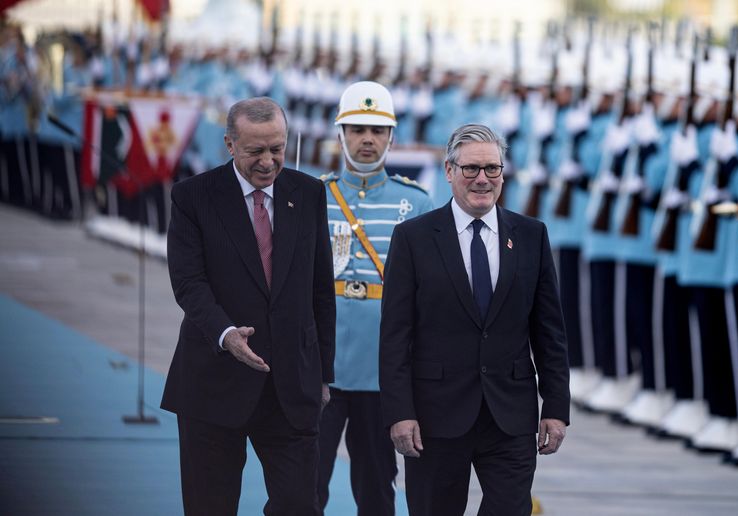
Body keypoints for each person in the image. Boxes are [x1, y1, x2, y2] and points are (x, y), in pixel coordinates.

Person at [380, 123, 570, 515]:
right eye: (470, 169)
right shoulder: (413, 238)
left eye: (492, 169)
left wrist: (555, 405)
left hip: (510, 417)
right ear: (449, 171)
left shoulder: (532, 235)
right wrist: (400, 413)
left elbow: (549, 331)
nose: (482, 179)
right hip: (435, 419)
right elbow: (396, 337)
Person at [161, 96, 335, 516]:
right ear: (229, 144)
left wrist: (324, 374)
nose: (268, 161)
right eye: (255, 150)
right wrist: (225, 334)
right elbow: (188, 283)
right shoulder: (193, 197)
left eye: (277, 148)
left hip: (291, 387)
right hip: (214, 383)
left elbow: (320, 290)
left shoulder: (308, 193)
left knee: (299, 505)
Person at [316, 81, 433, 515]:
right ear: (341, 134)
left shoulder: (415, 203)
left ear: (391, 137)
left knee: (376, 485)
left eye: (378, 130)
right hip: (322, 369)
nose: (368, 139)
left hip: (381, 371)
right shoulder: (315, 196)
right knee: (305, 483)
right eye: (358, 129)